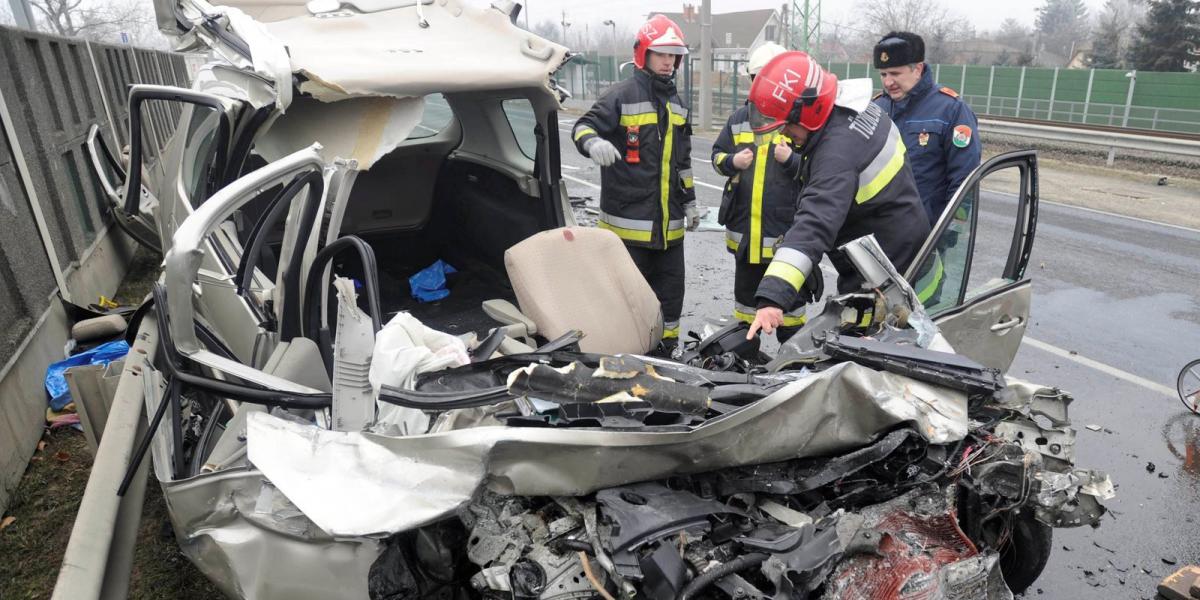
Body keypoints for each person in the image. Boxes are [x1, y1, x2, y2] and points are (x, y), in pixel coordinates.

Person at [742, 51, 932, 339]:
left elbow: (815, 221)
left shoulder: (837, 153)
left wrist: (772, 298)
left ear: (809, 111)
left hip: (887, 280)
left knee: (872, 364)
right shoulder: (854, 108)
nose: (786, 133)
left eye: (788, 125)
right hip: (902, 251)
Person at [571, 14, 698, 350]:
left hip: (670, 231)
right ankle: (626, 355)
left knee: (671, 300)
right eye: (661, 54)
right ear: (644, 54)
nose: (668, 61)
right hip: (627, 232)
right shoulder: (621, 95)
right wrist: (593, 143)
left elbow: (682, 162)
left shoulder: (678, 105)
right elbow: (583, 126)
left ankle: (667, 353)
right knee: (625, 301)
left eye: (674, 55)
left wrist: (690, 202)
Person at [710, 42, 810, 342]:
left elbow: (816, 172)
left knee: (790, 315)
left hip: (784, 239)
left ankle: (793, 370)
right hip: (745, 241)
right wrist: (732, 161)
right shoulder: (739, 119)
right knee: (744, 313)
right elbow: (716, 157)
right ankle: (745, 366)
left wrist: (790, 160)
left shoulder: (800, 122)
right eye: (757, 79)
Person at [872, 31, 981, 225]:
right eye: (883, 74)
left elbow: (964, 180)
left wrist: (950, 230)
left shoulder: (951, 110)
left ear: (918, 69)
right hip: (878, 232)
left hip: (926, 235)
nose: (888, 82)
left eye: (895, 73)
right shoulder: (876, 108)